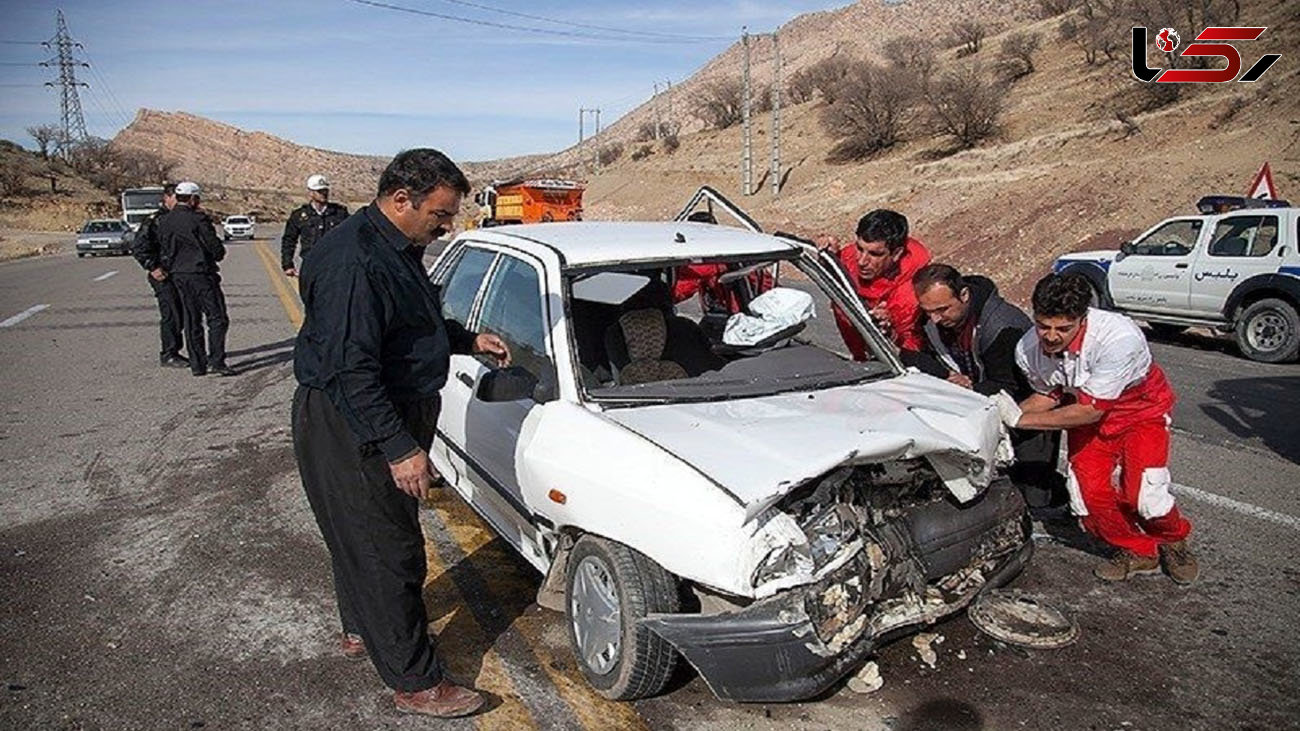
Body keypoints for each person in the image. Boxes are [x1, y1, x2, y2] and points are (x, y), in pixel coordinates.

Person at [292, 148, 510, 719]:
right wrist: (400, 448)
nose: (447, 226)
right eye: (440, 215)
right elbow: (351, 369)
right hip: (356, 418)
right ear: (400, 200)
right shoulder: (354, 262)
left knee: (358, 531)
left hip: (378, 408)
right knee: (388, 549)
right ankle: (415, 679)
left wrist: (464, 339)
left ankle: (364, 628)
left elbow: (407, 323)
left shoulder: (393, 246)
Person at [997, 273, 1198, 584]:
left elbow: (1090, 411)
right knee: (1086, 496)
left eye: (1063, 328)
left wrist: (1019, 420)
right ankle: (1138, 550)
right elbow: (1048, 395)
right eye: (1043, 325)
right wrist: (999, 416)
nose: (1050, 337)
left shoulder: (1119, 339)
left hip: (1139, 412)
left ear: (1082, 318)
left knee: (1145, 495)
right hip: (1084, 411)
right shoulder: (1027, 348)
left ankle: (1173, 539)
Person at [912, 263, 1065, 512]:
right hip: (977, 404)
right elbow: (921, 355)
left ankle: (1058, 506)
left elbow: (1010, 386)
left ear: (964, 295)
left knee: (1034, 493)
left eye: (942, 309)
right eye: (928, 311)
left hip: (1027, 411)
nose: (935, 319)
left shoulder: (1005, 326)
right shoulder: (932, 321)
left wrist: (970, 387)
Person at [829, 209, 932, 358]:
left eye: (875, 254)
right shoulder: (850, 256)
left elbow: (912, 351)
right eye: (859, 248)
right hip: (858, 357)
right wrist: (828, 256)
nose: (862, 261)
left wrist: (890, 333)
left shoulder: (912, 292)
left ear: (896, 254)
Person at [156, 182, 233, 377]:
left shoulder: (165, 220)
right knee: (217, 318)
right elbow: (214, 248)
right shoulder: (198, 219)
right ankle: (216, 360)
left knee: (191, 319)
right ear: (192, 199)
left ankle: (197, 365)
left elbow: (164, 249)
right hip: (201, 274)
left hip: (179, 276)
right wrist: (217, 253)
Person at [129, 183, 187, 368]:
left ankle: (177, 349)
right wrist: (152, 267)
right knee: (171, 313)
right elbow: (139, 247)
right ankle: (169, 353)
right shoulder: (155, 220)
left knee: (183, 312)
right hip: (163, 274)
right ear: (167, 198)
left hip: (180, 272)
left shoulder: (181, 218)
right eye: (176, 198)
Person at [281, 173, 349, 277]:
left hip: (335, 267)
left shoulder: (339, 213)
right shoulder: (299, 215)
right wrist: (288, 265)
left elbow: (353, 237)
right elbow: (289, 240)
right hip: (310, 266)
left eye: (325, 190)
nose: (324, 194)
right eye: (319, 191)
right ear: (311, 193)